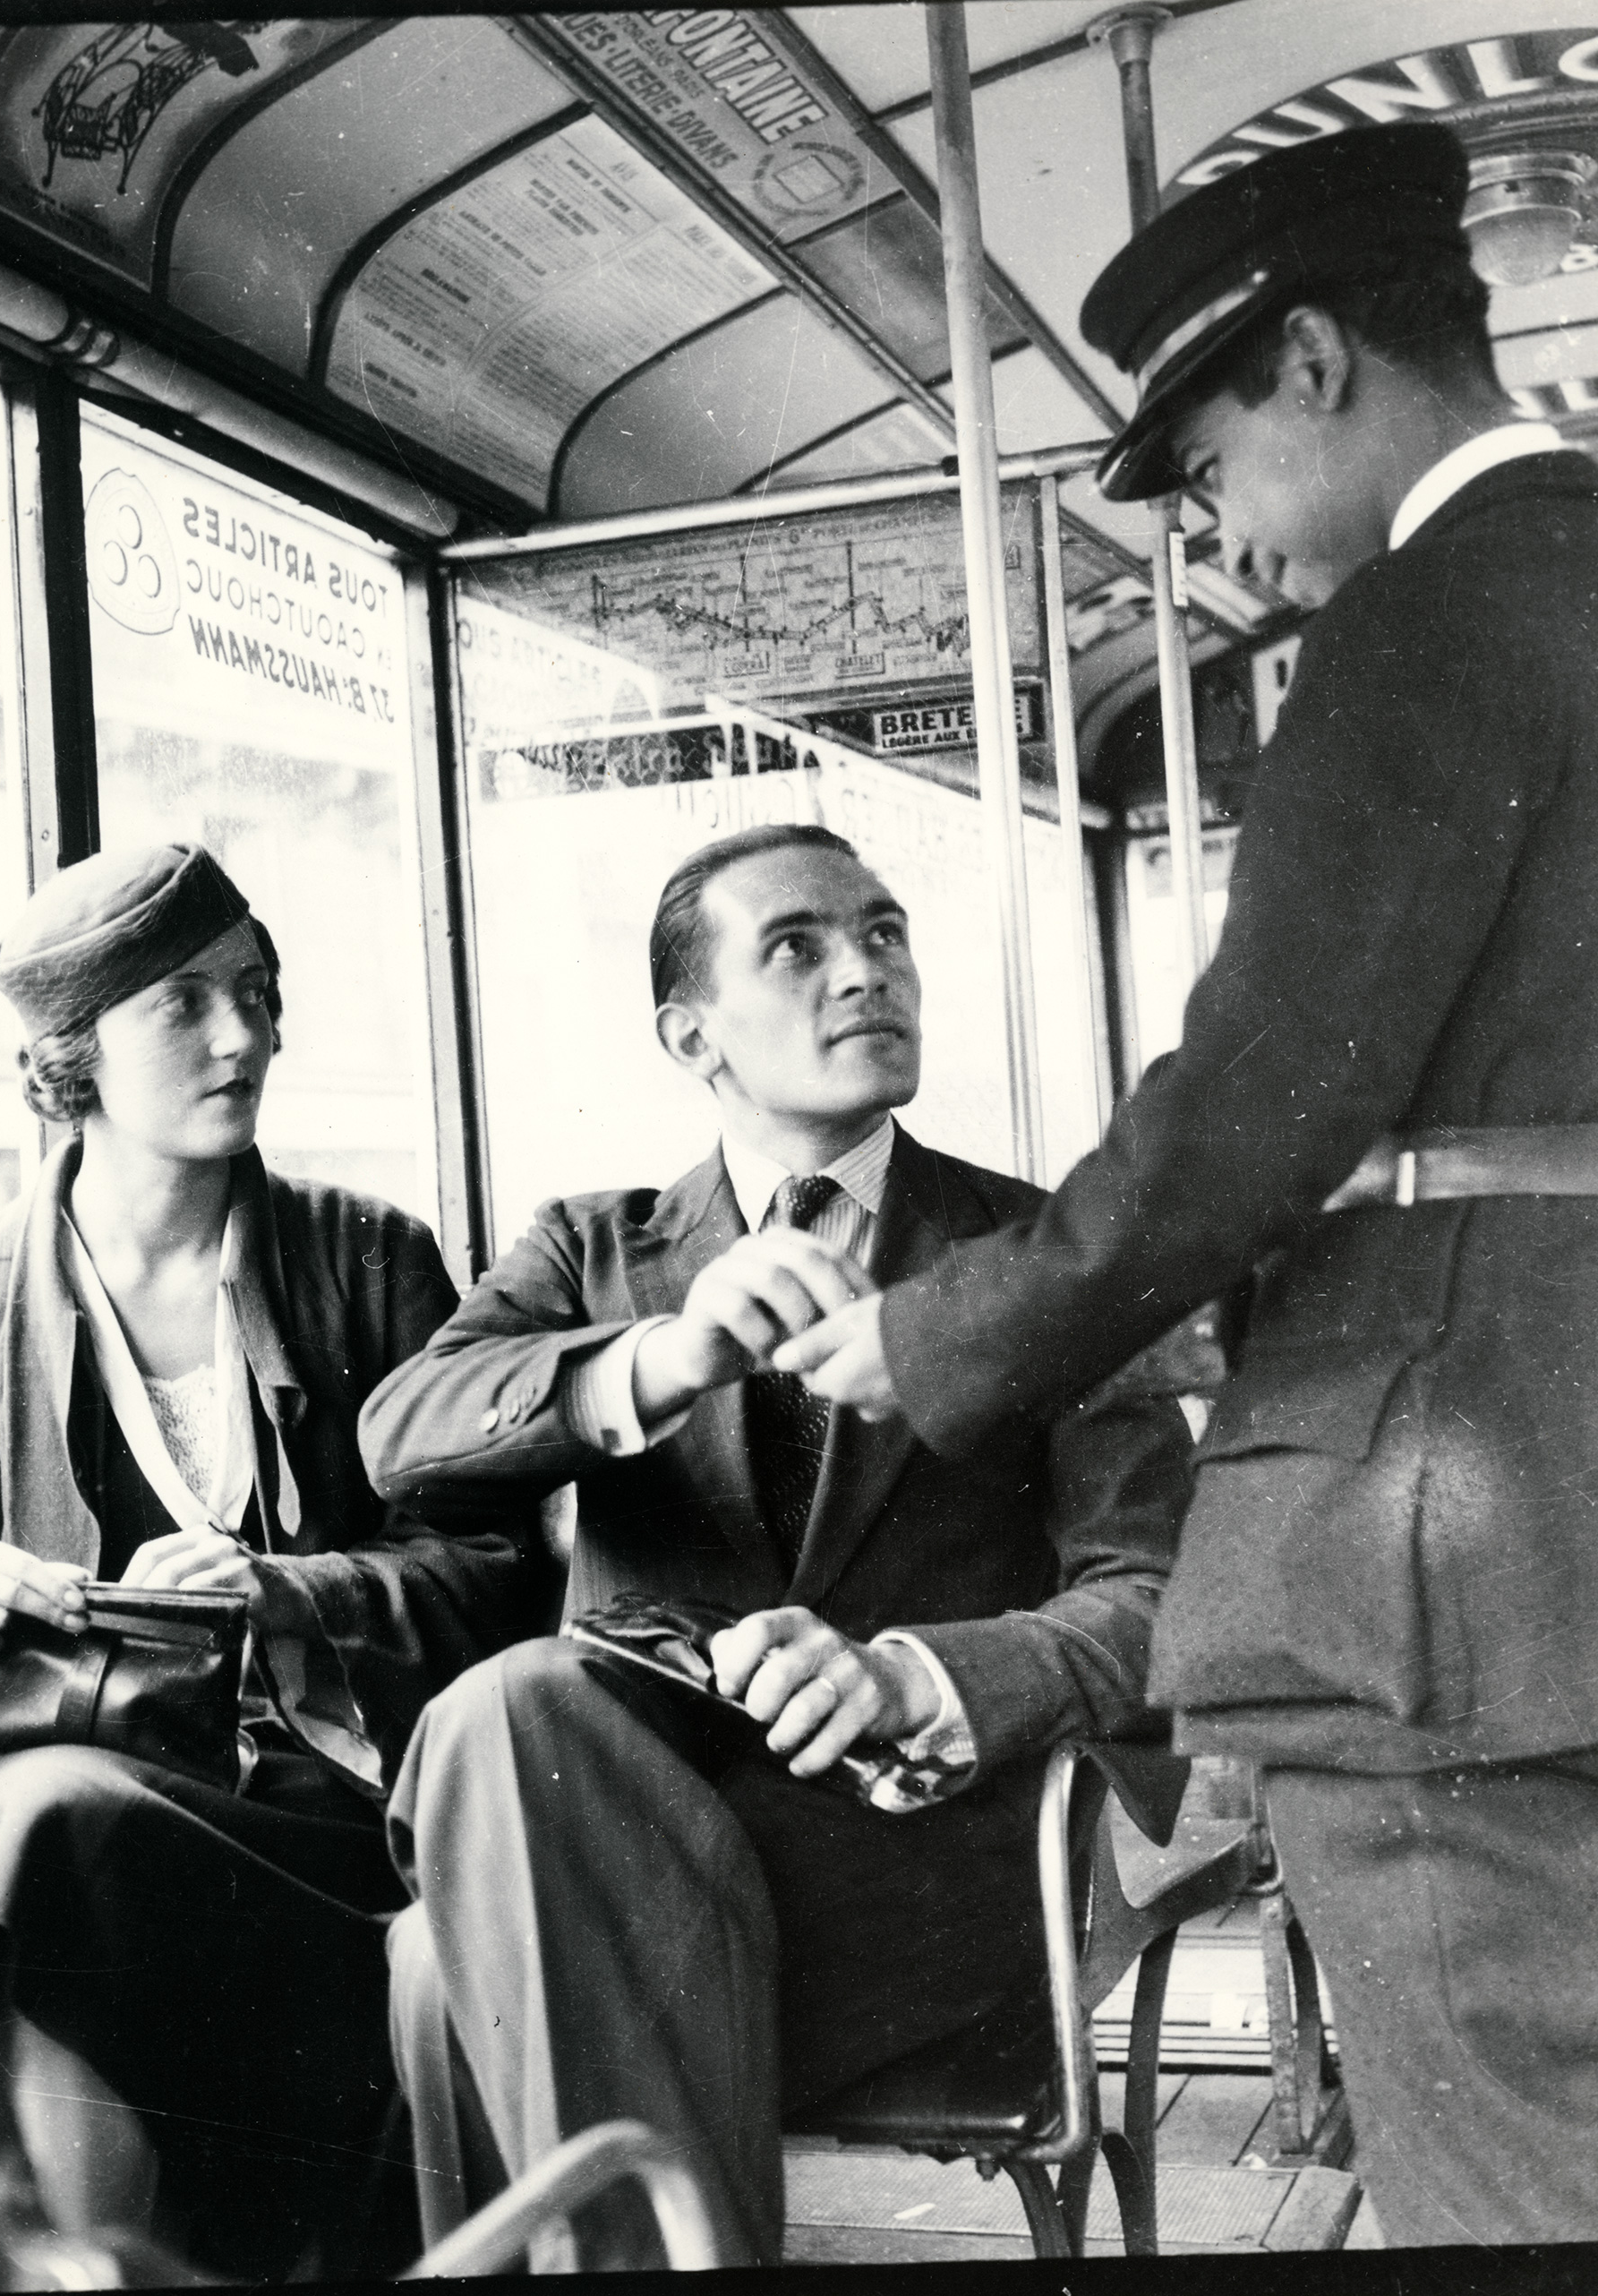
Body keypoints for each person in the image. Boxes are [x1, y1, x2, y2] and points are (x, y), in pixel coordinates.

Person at [778, 124, 1598, 2246]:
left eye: (1214, 462)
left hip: (1459, 1571)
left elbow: (1259, 1101)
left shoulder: (1430, 621)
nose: (1224, 537)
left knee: (1524, 2191)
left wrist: (939, 1326)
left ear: (1316, 361)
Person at [359, 822, 1194, 2263]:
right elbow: (405, 1435)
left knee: (458, 1909)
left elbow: (1155, 1595)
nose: (863, 972)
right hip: (614, 1852)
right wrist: (658, 1363)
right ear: (693, 1035)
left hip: (901, 1885)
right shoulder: (591, 1251)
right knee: (514, 1759)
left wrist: (916, 1679)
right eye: (796, 947)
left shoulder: (1039, 1251)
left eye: (883, 934)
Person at [0, 843, 559, 2278]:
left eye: (255, 993)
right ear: (71, 1062)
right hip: (88, 1821)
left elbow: (500, 1571)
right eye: (182, 1006)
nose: (242, 1037)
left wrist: (286, 1592)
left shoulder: (372, 1259)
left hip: (336, 1837)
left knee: (36, 1842)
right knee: (38, 1824)